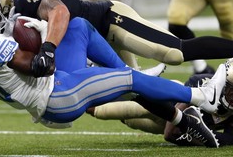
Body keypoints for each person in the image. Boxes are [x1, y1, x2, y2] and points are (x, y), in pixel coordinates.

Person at [0, 0, 227, 148]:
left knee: (79, 26)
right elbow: (44, 66)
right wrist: (45, 39)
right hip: (58, 96)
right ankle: (204, 97)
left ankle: (180, 119)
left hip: (54, 85)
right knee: (132, 82)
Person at [0, 0, 233, 73]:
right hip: (94, 44)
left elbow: (61, 11)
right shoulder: (12, 17)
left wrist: (48, 48)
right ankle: (189, 118)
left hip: (110, 22)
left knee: (174, 52)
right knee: (129, 96)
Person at [87, 60, 233, 147]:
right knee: (117, 109)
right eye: (232, 89)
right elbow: (189, 90)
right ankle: (90, 76)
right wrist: (182, 126)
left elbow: (224, 139)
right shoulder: (210, 83)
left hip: (166, 126)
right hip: (170, 101)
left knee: (129, 121)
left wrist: (191, 137)